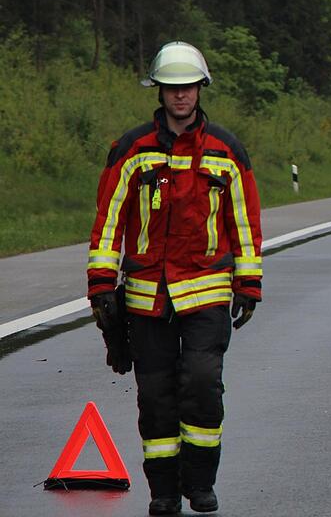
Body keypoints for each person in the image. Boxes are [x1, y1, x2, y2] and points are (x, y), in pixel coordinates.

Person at [87, 42, 263, 516]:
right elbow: (108, 221)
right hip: (147, 298)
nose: (180, 96)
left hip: (206, 291)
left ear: (200, 89)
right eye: (171, 88)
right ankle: (163, 492)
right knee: (156, 398)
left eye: (187, 88)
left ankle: (200, 484)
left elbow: (243, 223)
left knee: (203, 384)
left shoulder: (227, 151)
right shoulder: (132, 149)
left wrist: (248, 283)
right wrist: (102, 284)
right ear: (159, 91)